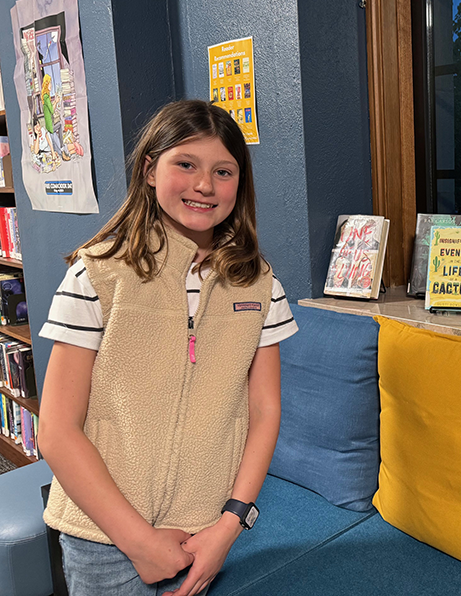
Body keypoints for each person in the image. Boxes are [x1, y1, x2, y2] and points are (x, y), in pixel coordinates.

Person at [38, 100, 298, 596]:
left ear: (239, 185)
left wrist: (230, 524)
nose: (204, 185)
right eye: (185, 164)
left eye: (223, 171)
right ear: (149, 169)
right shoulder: (96, 274)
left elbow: (265, 411)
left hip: (204, 533)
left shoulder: (261, 287)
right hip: (102, 540)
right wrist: (138, 542)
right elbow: (56, 430)